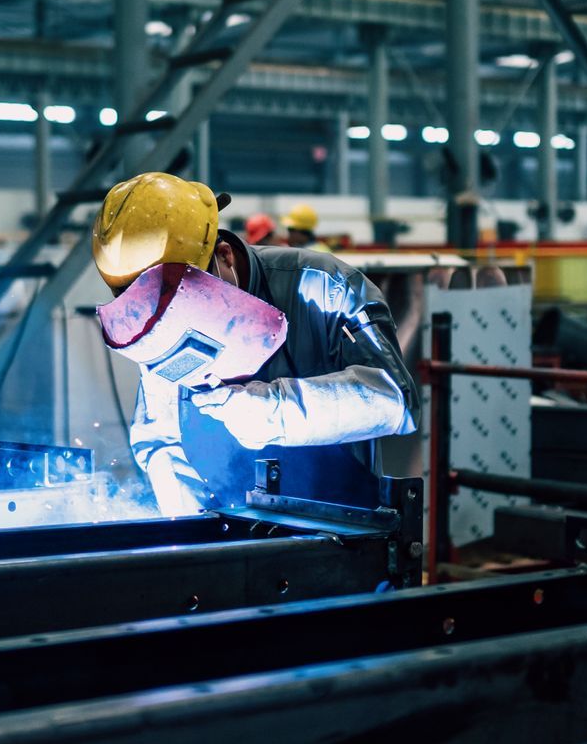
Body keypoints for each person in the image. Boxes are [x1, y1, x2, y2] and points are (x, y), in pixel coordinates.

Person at [93, 172, 416, 515]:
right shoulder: (158, 326)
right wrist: (188, 526)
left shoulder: (326, 288)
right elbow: (160, 438)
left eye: (187, 303)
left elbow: (396, 399)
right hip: (232, 540)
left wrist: (273, 409)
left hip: (339, 531)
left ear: (225, 256)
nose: (176, 325)